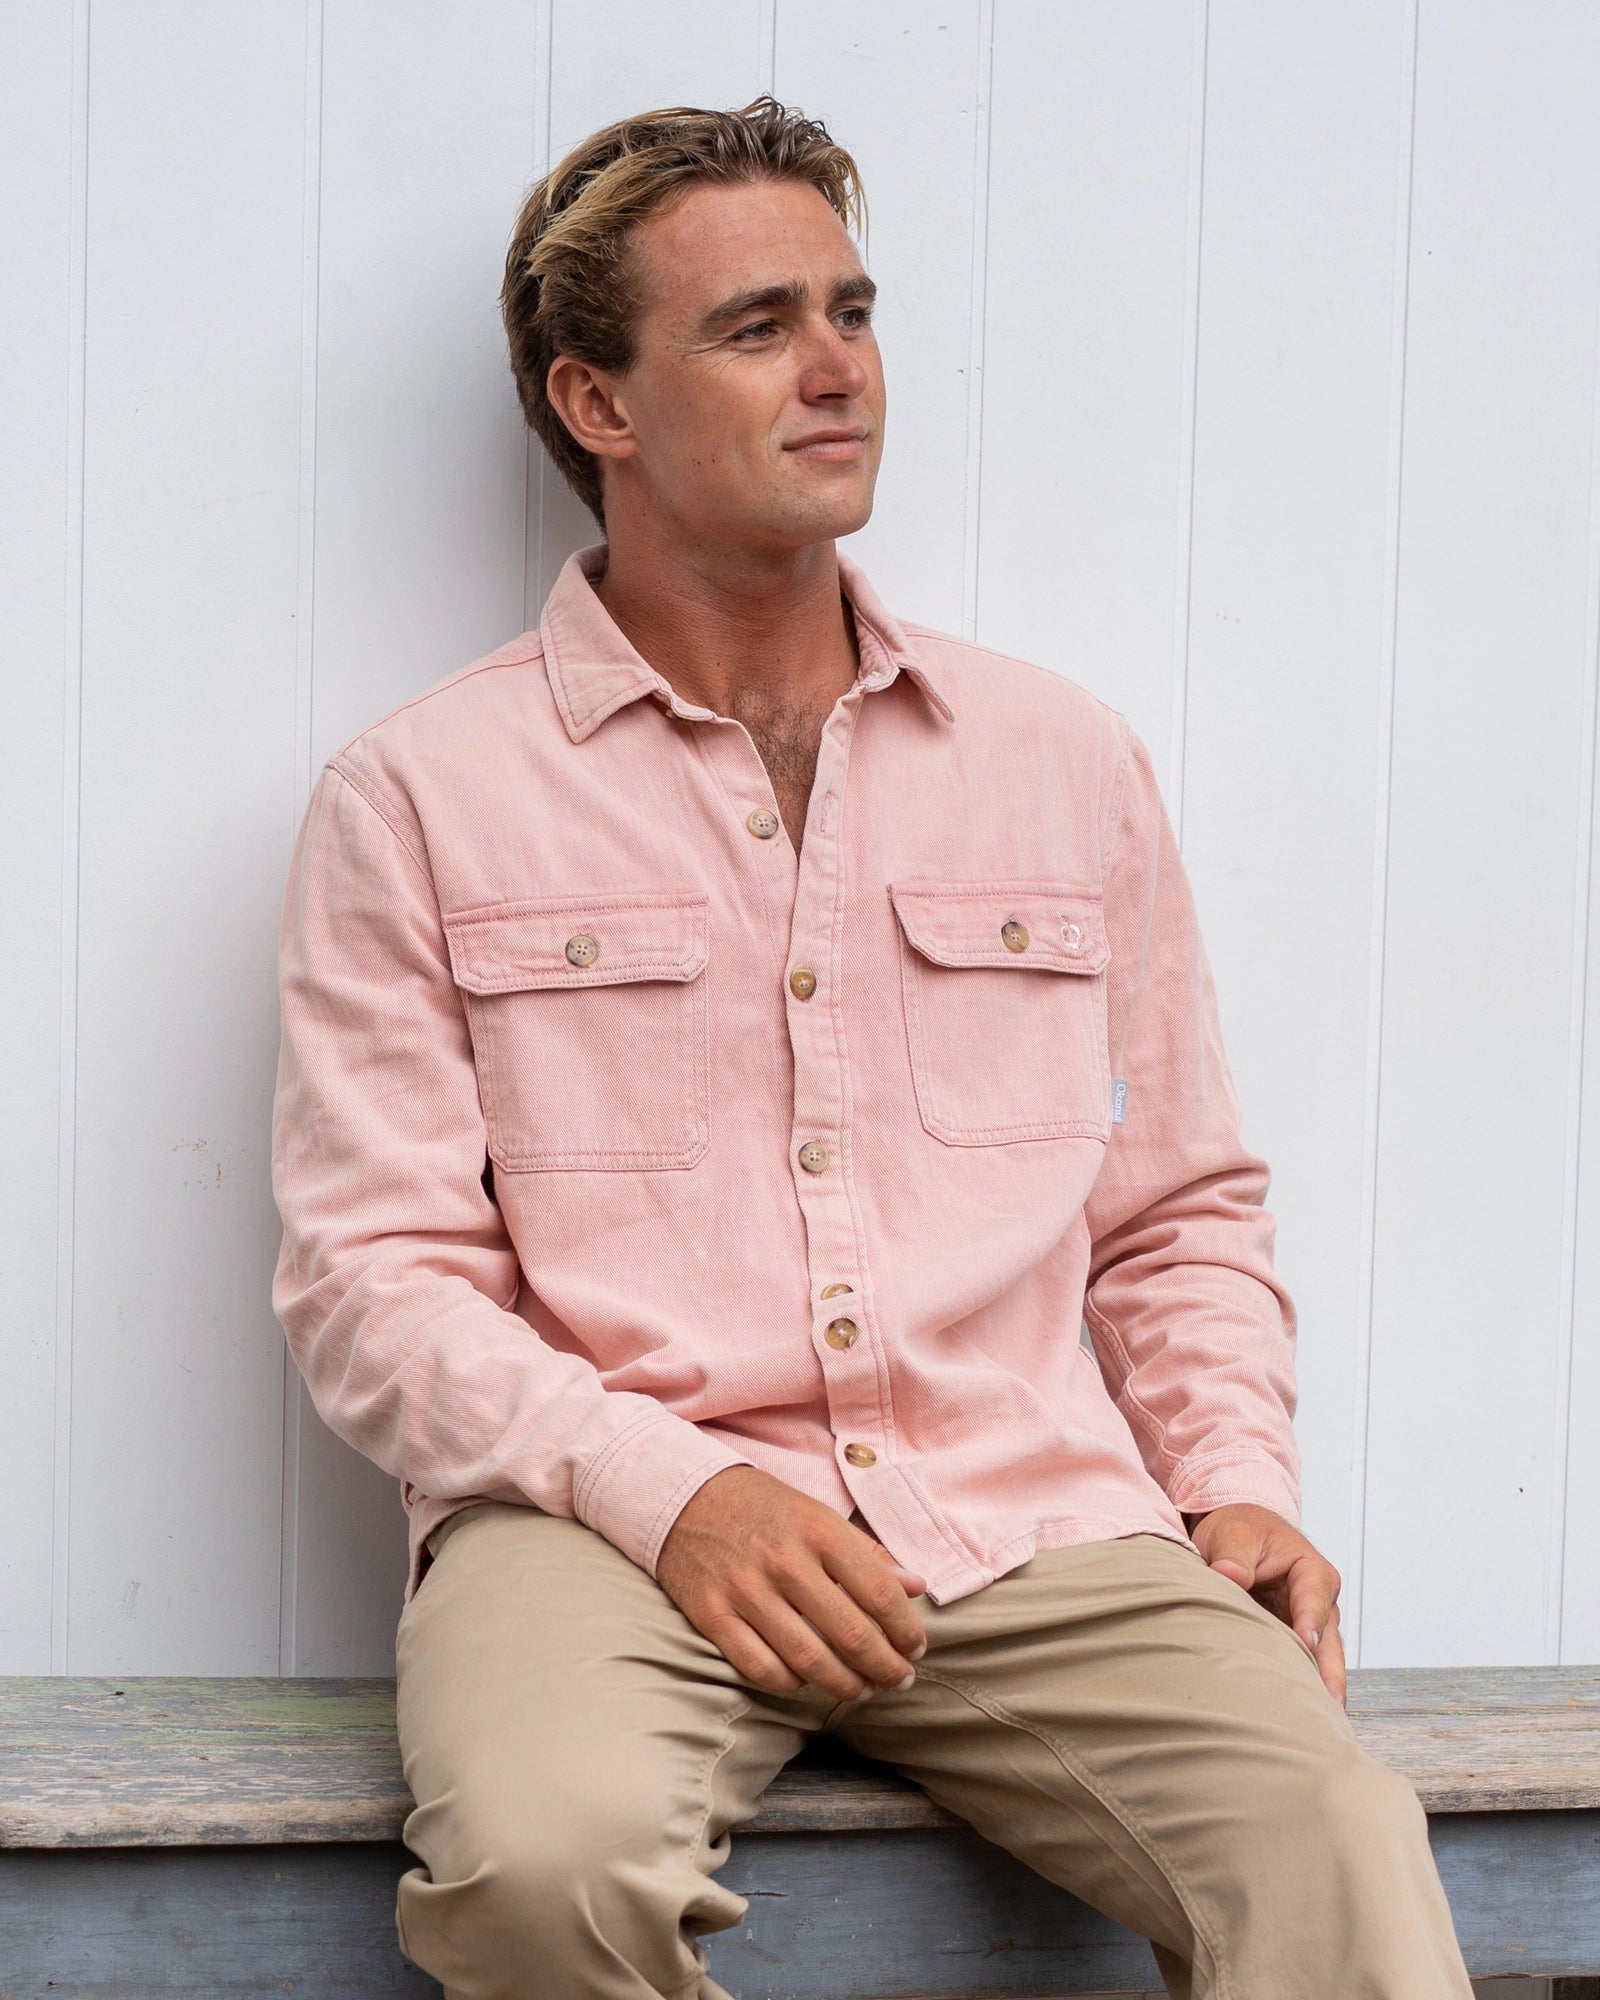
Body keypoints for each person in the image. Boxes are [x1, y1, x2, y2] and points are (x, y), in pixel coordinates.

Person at [269, 96, 1474, 2000]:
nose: (839, 371)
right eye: (757, 328)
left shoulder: (1058, 761)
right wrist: (675, 1492)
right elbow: (372, 1284)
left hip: (1024, 1509)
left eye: (853, 309)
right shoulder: (420, 796)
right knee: (538, 1867)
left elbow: (1175, 1210)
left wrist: (1236, 1476)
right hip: (607, 1517)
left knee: (1338, 1836)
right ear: (599, 404)